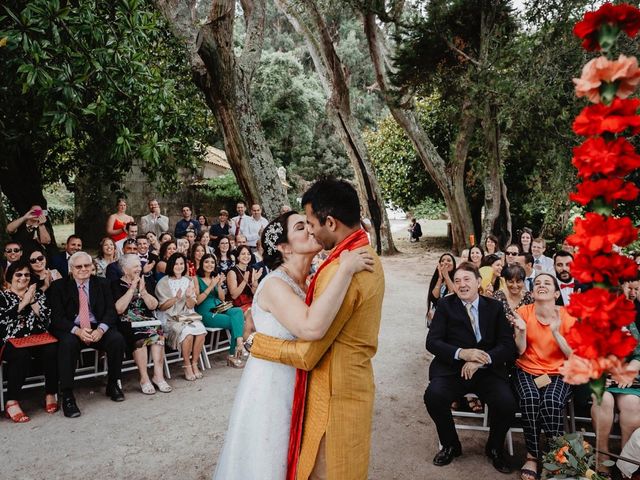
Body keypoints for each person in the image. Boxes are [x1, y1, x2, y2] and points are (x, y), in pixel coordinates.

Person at [219, 199, 378, 479]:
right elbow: (310, 328)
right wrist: (345, 269)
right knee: (271, 459)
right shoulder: (276, 285)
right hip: (273, 386)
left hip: (301, 382)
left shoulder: (310, 280)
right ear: (284, 247)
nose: (311, 230)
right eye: (301, 227)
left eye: (310, 224)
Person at [424, 262, 517, 474]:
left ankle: (494, 448)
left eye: (467, 280)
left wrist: (481, 360)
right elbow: (432, 342)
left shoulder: (493, 307)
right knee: (433, 396)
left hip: (487, 371)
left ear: (478, 282)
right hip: (452, 370)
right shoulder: (446, 306)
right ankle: (450, 445)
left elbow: (507, 345)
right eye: (457, 281)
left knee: (506, 403)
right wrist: (462, 353)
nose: (462, 285)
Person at [511, 273, 576, 480]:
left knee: (549, 402)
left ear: (556, 293)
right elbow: (520, 351)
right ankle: (532, 456)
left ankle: (555, 455)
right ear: (532, 292)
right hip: (527, 369)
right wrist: (520, 331)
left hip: (558, 372)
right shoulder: (523, 312)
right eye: (537, 283)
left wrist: (557, 332)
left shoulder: (568, 316)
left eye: (547, 283)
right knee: (530, 399)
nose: (541, 285)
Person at [50, 251, 127, 418]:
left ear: (93, 267)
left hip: (96, 326)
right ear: (71, 269)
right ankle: (68, 395)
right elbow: (57, 318)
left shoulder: (103, 283)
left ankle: (113, 383)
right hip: (73, 328)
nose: (84, 269)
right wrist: (77, 331)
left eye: (87, 265)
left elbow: (111, 312)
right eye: (79, 266)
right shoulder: (58, 287)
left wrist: (101, 329)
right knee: (67, 345)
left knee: (117, 339)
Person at [590, 277, 640, 478]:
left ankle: (625, 462)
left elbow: (638, 353)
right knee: (604, 401)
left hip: (625, 379)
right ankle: (601, 458)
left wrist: (631, 370)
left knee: (632, 405)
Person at [0, 260, 58, 422]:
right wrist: (22, 302)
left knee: (52, 349)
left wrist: (32, 302)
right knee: (21, 355)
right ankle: (11, 401)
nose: (23, 278)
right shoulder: (2, 296)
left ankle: (50, 393)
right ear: (10, 277)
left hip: (37, 339)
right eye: (19, 274)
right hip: (10, 341)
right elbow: (2, 322)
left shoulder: (38, 294)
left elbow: (47, 319)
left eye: (26, 275)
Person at [112, 254, 171, 395]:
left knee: (158, 334)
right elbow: (119, 309)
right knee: (140, 337)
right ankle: (144, 378)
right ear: (125, 270)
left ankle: (158, 376)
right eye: (135, 266)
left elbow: (153, 306)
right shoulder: (115, 284)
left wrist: (143, 291)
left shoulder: (145, 282)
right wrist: (132, 289)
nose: (139, 268)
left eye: (139, 265)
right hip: (127, 322)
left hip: (147, 319)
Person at [155, 252, 207, 381]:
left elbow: (190, 306)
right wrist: (176, 298)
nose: (179, 266)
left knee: (201, 331)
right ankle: (186, 365)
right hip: (169, 318)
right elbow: (161, 307)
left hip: (186, 315)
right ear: (171, 265)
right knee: (188, 333)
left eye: (181, 264)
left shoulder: (188, 281)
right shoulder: (163, 282)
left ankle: (194, 363)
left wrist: (189, 296)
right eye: (176, 264)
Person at [193, 253, 246, 368]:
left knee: (238, 312)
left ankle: (239, 342)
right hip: (205, 312)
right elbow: (197, 301)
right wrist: (211, 285)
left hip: (219, 307)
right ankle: (233, 355)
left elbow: (222, 298)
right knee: (234, 322)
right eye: (206, 262)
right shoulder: (196, 279)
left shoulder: (214, 277)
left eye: (212, 262)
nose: (209, 264)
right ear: (202, 263)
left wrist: (219, 285)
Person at [427, 253, 457, 324]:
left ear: (454, 264)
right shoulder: (437, 278)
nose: (445, 262)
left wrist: (446, 276)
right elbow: (434, 296)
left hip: (451, 315)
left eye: (449, 260)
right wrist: (440, 278)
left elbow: (454, 295)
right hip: (436, 316)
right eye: (442, 260)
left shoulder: (457, 278)